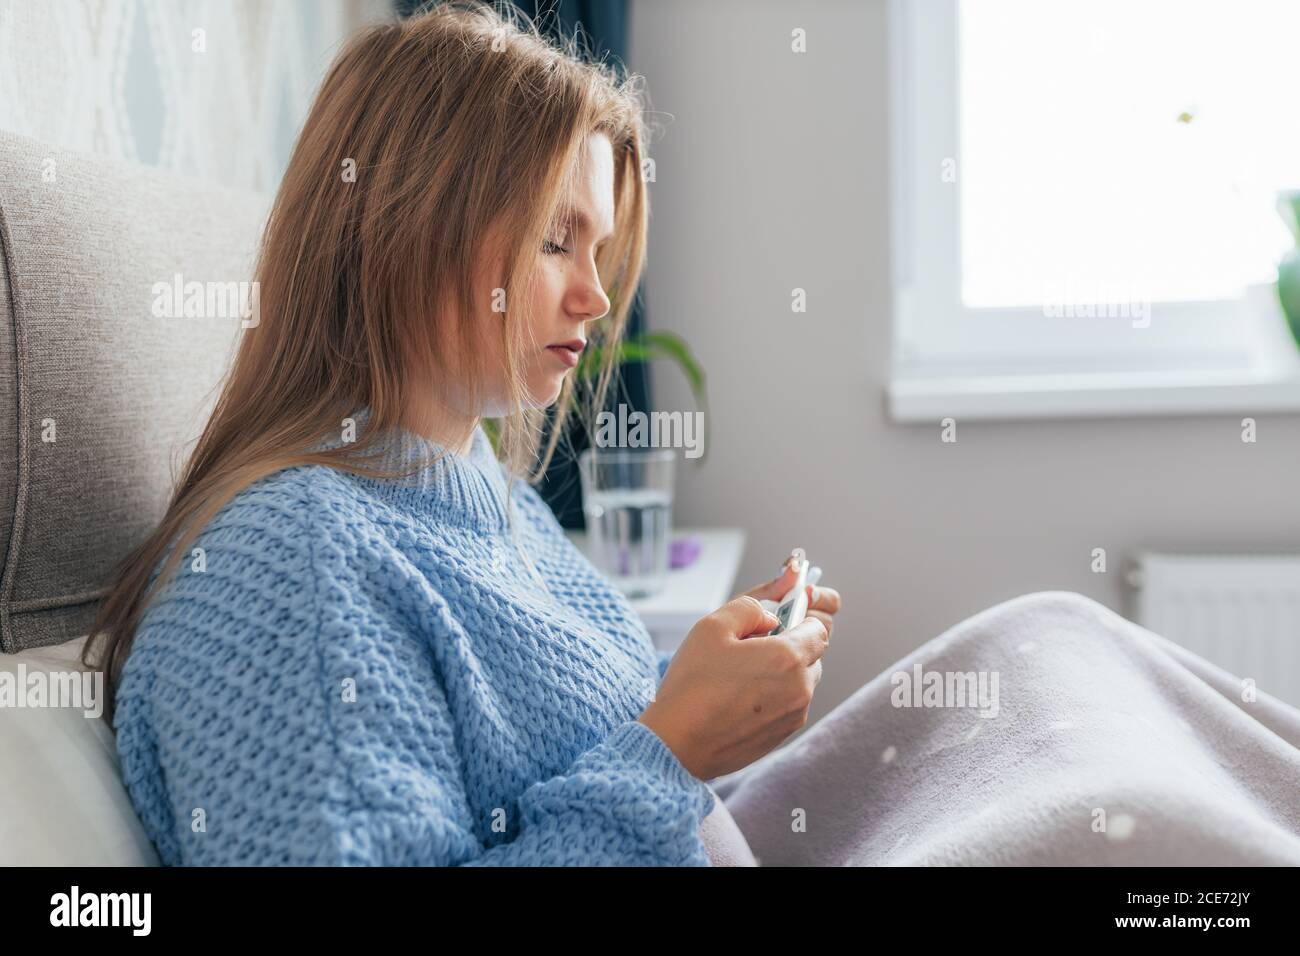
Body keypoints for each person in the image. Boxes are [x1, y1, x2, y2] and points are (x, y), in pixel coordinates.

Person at [83, 1, 840, 866]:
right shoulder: (295, 562)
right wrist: (670, 753)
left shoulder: (507, 509)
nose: (595, 299)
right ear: (409, 223)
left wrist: (708, 701)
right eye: (559, 239)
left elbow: (572, 769)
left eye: (601, 253)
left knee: (1024, 642)